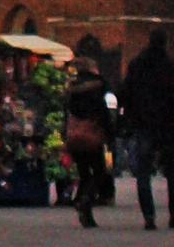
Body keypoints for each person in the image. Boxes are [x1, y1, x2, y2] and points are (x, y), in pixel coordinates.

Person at [119, 32, 174, 229]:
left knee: (143, 171)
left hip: (143, 124)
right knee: (173, 170)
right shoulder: (169, 66)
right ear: (165, 44)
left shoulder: (137, 65)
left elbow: (125, 92)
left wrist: (130, 116)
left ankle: (149, 216)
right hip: (168, 125)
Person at [62, 60, 117, 229]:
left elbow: (67, 111)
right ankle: (86, 200)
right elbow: (104, 110)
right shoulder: (100, 86)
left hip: (75, 136)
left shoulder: (71, 88)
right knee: (101, 170)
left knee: (84, 173)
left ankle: (85, 208)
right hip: (94, 134)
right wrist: (110, 132)